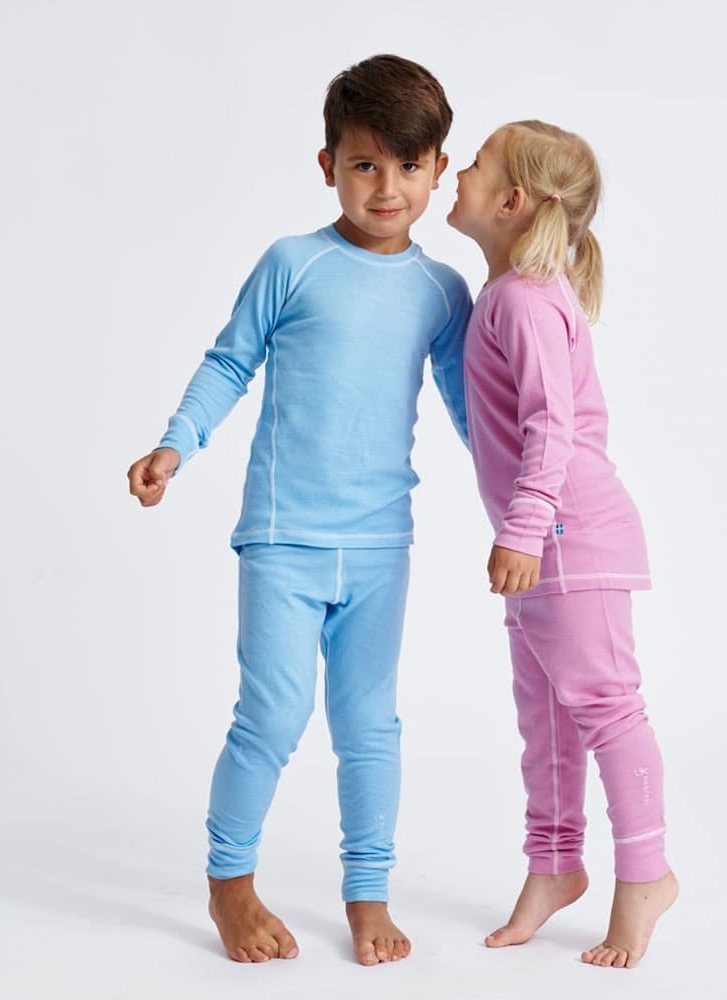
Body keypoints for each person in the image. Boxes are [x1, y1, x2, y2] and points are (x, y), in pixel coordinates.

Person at [126, 54, 470, 966]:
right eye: (364, 165)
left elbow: (472, 409)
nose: (387, 188)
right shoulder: (294, 264)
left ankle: (368, 892)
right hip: (283, 540)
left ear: (439, 168)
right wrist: (175, 445)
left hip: (381, 546)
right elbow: (229, 362)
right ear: (328, 167)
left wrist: (530, 507)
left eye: (408, 166)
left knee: (370, 726)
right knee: (273, 717)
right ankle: (229, 883)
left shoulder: (442, 292)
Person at [447, 120, 678, 968]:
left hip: (569, 538)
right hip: (544, 542)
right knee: (545, 719)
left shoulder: (524, 297)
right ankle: (553, 864)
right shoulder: (508, 296)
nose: (456, 172)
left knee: (606, 709)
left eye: (474, 164)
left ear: (512, 201)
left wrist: (524, 527)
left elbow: (554, 425)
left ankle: (647, 875)